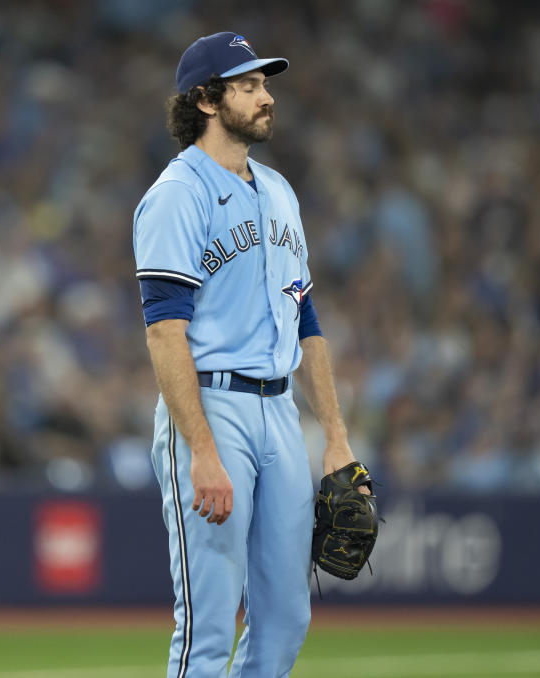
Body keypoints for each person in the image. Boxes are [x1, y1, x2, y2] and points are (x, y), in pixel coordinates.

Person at [133, 32, 363, 678]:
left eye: (266, 85)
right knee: (207, 627)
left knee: (285, 623)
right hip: (212, 408)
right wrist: (201, 449)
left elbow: (305, 319)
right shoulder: (178, 193)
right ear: (206, 99)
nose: (267, 98)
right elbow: (163, 333)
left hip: (280, 414)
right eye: (249, 85)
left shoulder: (280, 191)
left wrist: (336, 439)